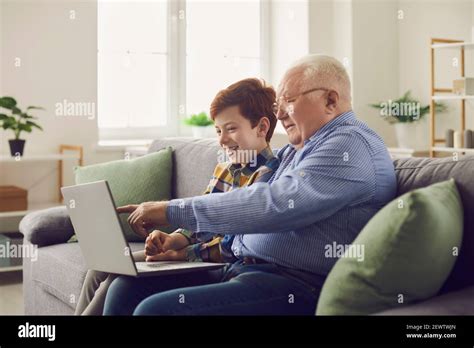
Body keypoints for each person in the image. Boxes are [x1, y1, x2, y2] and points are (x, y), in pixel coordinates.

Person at [104, 54, 397, 316]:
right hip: (243, 269)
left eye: (289, 102)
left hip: (296, 285)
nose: (279, 114)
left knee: (155, 311)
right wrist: (181, 239)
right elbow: (242, 201)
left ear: (330, 101)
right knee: (126, 286)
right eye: (277, 105)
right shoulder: (297, 150)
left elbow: (272, 204)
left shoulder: (349, 145)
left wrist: (170, 210)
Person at [74, 77, 280, 315]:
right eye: (218, 130)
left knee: (117, 282)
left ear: (262, 127)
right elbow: (200, 220)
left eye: (231, 129)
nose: (222, 140)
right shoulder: (225, 167)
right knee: (100, 268)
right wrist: (173, 239)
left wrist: (182, 253)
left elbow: (236, 244)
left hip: (216, 265)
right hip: (192, 255)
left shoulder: (269, 176)